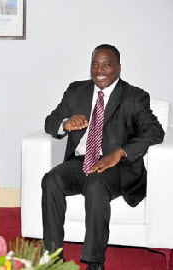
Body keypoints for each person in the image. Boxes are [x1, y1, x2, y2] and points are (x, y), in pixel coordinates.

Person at [42, 44, 164, 270]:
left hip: (117, 167)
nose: (100, 70)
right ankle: (52, 257)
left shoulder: (134, 97)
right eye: (95, 64)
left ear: (118, 68)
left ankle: (94, 261)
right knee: (51, 180)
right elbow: (51, 121)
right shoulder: (76, 90)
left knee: (95, 185)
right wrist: (65, 124)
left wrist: (120, 152)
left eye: (107, 65)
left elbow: (155, 131)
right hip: (80, 162)